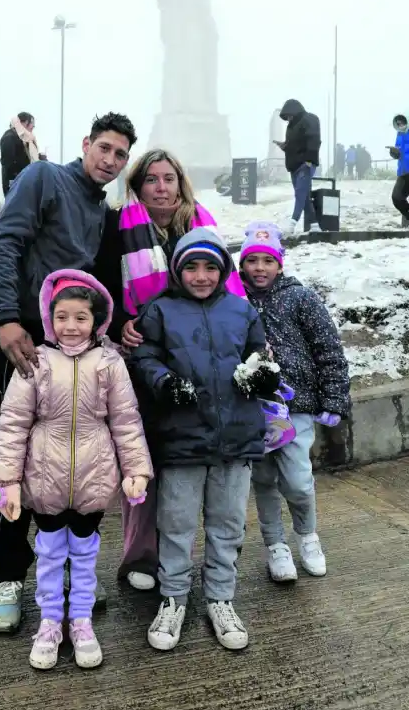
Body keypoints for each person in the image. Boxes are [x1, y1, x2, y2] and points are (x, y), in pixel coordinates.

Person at [0, 111, 137, 634]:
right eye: (105, 148)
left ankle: (69, 581)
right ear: (86, 144)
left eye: (120, 155)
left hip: (77, 349)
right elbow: (4, 242)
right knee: (19, 462)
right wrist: (6, 319)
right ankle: (8, 575)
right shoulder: (44, 178)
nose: (111, 161)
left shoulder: (101, 207)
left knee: (68, 470)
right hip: (26, 340)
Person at [93, 149, 246, 593]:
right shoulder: (117, 225)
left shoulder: (201, 225)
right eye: (151, 180)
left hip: (200, 357)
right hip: (141, 356)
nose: (161, 187)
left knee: (195, 455)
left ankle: (198, 551)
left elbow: (228, 289)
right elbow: (101, 282)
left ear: (181, 183)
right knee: (141, 456)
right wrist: (120, 320)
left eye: (169, 178)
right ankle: (142, 555)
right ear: (137, 186)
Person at [127, 227, 280, 652]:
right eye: (191, 267)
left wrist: (263, 373)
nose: (200, 276)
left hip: (236, 436)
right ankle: (173, 596)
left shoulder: (241, 310)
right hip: (181, 439)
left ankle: (220, 597)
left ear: (223, 270)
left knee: (227, 524)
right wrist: (164, 382)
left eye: (209, 267)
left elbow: (258, 354)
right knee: (175, 524)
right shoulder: (160, 311)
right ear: (177, 271)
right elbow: (145, 357)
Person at [0, 270, 152, 670]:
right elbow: (13, 423)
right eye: (62, 316)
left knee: (84, 552)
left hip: (93, 479)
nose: (71, 326)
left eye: (81, 317)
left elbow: (126, 421)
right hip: (45, 478)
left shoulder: (110, 363)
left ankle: (80, 620)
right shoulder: (35, 362)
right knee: (48, 553)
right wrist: (7, 481)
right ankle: (49, 622)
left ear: (96, 320)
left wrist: (136, 469)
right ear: (50, 319)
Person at [239, 221, 351, 583]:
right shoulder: (234, 301)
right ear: (242, 264)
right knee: (265, 479)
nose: (259, 268)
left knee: (299, 480)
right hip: (254, 407)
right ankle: (276, 546)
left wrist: (333, 398)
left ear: (280, 264)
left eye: (267, 261)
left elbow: (327, 347)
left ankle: (308, 536)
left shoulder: (300, 298)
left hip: (296, 405)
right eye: (252, 260)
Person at [274, 99, 321, 235]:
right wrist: (284, 146)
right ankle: (315, 225)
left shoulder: (310, 119)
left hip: (305, 164)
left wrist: (309, 160)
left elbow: (314, 140)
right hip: (293, 165)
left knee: (300, 193)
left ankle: (292, 224)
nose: (288, 119)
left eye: (289, 115)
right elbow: (293, 146)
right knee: (304, 196)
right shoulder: (290, 126)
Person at [0, 111, 42, 196]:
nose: (33, 127)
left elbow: (26, 159)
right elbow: (9, 163)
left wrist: (40, 158)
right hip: (16, 186)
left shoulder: (25, 139)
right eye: (32, 124)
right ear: (26, 122)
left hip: (24, 184)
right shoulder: (10, 137)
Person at [388, 114, 409, 224]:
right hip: (403, 171)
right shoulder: (399, 134)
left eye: (401, 122)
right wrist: (394, 152)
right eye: (398, 123)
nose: (400, 125)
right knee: (397, 198)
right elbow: (399, 153)